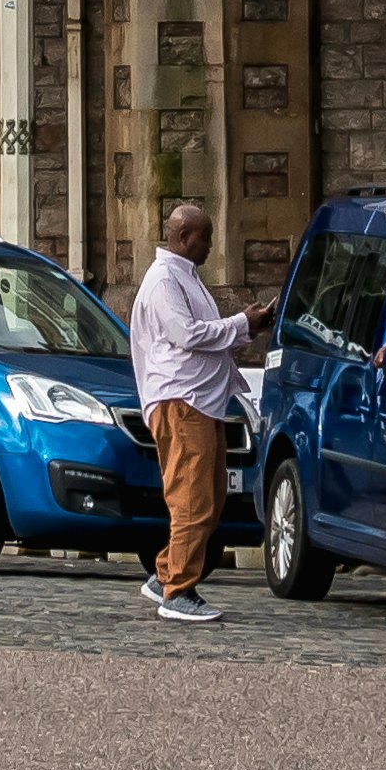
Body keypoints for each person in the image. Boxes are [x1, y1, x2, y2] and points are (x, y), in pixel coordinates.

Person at [129, 198, 258, 624]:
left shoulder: (185, 277)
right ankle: (178, 590)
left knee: (211, 497)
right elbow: (187, 335)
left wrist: (247, 327)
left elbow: (205, 338)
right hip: (181, 401)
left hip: (202, 401)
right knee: (192, 499)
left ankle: (164, 573)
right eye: (204, 238)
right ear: (183, 237)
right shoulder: (164, 279)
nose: (209, 246)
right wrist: (240, 322)